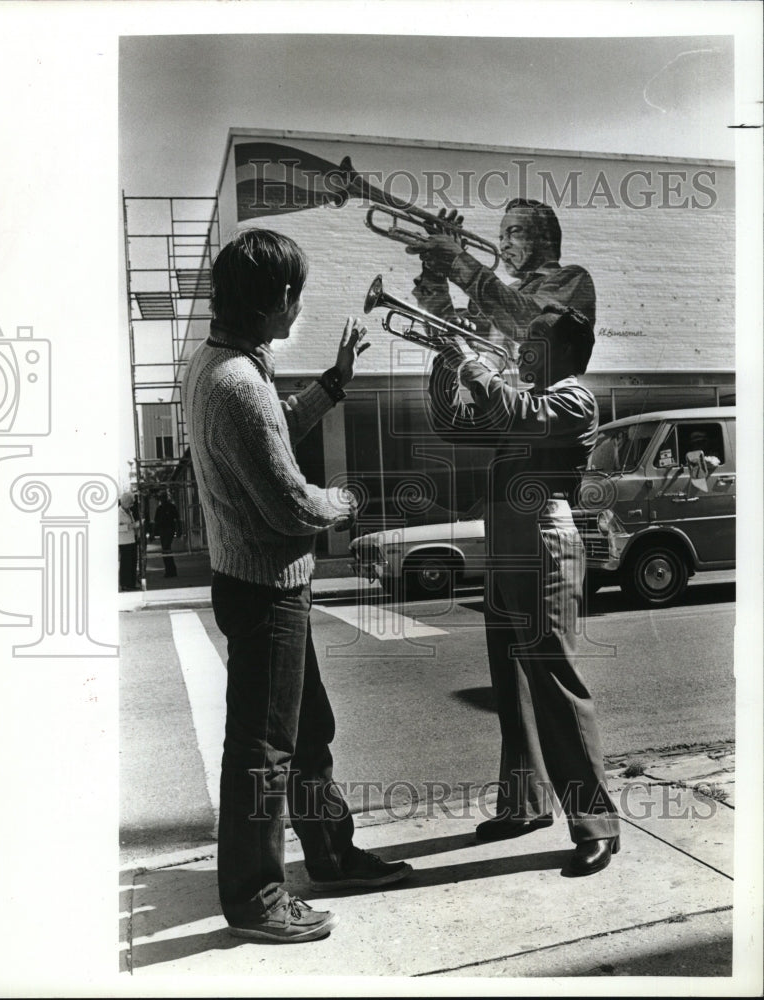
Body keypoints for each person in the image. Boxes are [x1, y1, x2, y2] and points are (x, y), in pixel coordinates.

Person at [181, 229, 412, 944]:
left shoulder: (220, 366)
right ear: (277, 299)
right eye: (297, 296)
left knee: (306, 733)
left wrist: (334, 384)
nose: (299, 310)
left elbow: (270, 432)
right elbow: (289, 505)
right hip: (267, 592)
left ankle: (332, 855)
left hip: (258, 582)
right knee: (264, 749)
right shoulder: (236, 382)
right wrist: (343, 502)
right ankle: (255, 898)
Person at [427, 303, 620, 877]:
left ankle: (597, 824)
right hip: (506, 541)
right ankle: (525, 804)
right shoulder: (514, 398)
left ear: (562, 352)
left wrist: (473, 364)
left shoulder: (571, 397)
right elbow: (452, 425)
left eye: (535, 341)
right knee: (511, 686)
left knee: (556, 682)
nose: (523, 348)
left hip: (544, 540)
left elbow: (519, 411)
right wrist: (444, 364)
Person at [406, 197, 596, 345]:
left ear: (546, 238)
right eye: (501, 237)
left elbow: (532, 321)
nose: (503, 245)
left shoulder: (574, 277)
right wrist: (435, 273)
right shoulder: (505, 293)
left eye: (513, 232)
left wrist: (458, 260)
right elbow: (445, 334)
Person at [152, 491, 180, 578]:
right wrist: (153, 533)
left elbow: (177, 519)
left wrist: (178, 530)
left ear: (165, 498)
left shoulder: (171, 507)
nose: (162, 500)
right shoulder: (159, 508)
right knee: (166, 550)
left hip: (169, 530)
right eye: (161, 498)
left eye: (163, 498)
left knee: (166, 549)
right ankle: (170, 570)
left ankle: (170, 571)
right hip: (162, 531)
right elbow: (156, 522)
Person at [118, 491, 139, 591]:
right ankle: (125, 584)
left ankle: (131, 583)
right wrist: (130, 526)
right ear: (125, 502)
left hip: (132, 539)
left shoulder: (129, 511)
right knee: (125, 564)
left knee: (132, 562)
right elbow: (116, 528)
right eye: (130, 502)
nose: (132, 505)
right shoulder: (118, 513)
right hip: (124, 541)